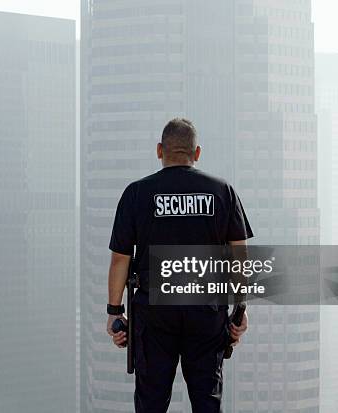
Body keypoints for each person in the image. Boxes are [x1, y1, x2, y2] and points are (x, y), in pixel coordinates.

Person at [106, 118, 252, 413]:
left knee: (151, 401)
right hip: (205, 309)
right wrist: (239, 310)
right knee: (207, 400)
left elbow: (121, 258)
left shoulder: (136, 193)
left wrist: (114, 312)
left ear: (160, 150)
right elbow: (239, 255)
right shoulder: (222, 191)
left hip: (154, 312)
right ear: (196, 153)